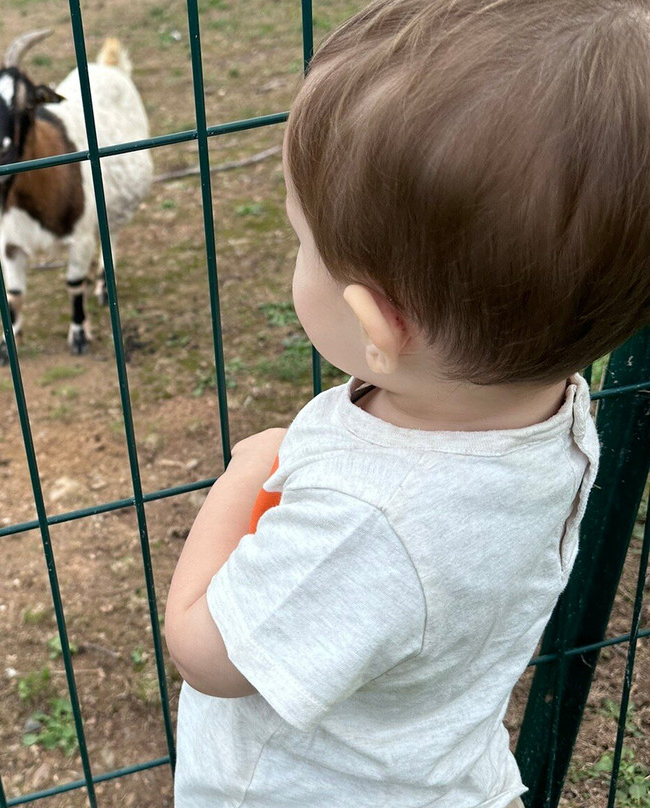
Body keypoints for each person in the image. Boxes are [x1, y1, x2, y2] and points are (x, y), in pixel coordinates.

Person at [163, 1, 650, 806]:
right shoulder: (553, 410)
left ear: (376, 326)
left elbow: (207, 655)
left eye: (300, 241)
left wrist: (245, 474)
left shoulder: (367, 522)